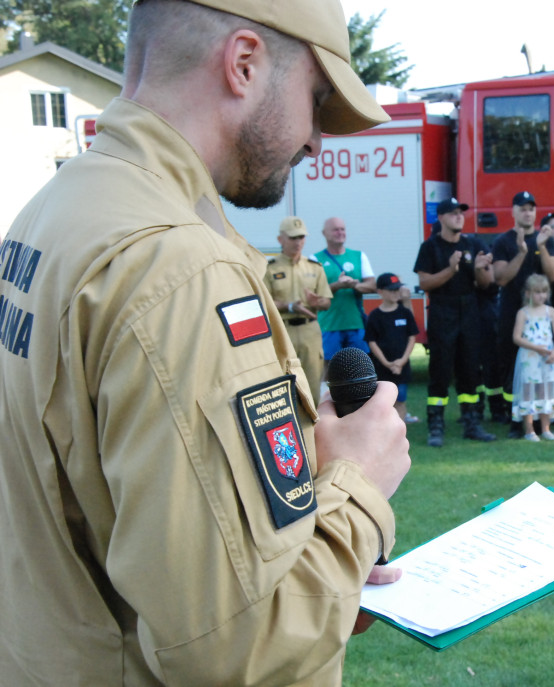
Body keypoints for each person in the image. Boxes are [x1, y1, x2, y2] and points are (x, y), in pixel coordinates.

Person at [0, 0, 411, 684]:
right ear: (243, 63)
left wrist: (325, 567)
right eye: (316, 98)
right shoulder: (181, 266)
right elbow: (233, 646)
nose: (317, 141)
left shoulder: (55, 210)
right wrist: (361, 487)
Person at [414, 197, 497, 446]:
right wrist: (451, 269)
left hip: (469, 311)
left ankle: (472, 422)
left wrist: (481, 269)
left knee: (470, 369)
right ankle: (436, 426)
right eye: (452, 213)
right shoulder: (430, 247)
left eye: (460, 212)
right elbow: (425, 283)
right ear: (440, 218)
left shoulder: (472, 243)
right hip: (443, 311)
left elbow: (486, 285)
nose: (458, 216)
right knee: (440, 370)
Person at [491, 190, 554, 432]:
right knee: (513, 366)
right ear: (513, 212)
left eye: (531, 208)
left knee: (541, 369)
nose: (528, 213)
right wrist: (521, 252)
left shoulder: (545, 239)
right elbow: (500, 278)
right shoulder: (503, 242)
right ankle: (516, 420)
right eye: (522, 208)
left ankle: (543, 419)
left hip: (540, 318)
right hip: (513, 311)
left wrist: (541, 246)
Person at [265, 216, 334, 406]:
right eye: (293, 237)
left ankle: (312, 433)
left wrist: (317, 301)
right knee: (280, 385)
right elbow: (263, 302)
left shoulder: (314, 267)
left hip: (309, 331)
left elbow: (327, 302)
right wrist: (288, 306)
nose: (298, 242)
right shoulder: (269, 268)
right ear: (281, 239)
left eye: (301, 237)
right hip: (282, 331)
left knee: (312, 386)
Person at [511, 274, 554, 441]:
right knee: (528, 391)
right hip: (530, 358)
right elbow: (517, 337)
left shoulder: (550, 312)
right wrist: (536, 348)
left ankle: (546, 428)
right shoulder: (523, 313)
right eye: (537, 292)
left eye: (544, 292)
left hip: (548, 359)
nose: (541, 296)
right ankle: (529, 430)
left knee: (546, 391)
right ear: (528, 293)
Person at [316, 216, 375, 359]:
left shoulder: (359, 256)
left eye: (342, 229)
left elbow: (373, 286)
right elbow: (315, 293)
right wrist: (338, 285)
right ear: (324, 233)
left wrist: (354, 284)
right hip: (328, 325)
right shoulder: (315, 259)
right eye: (335, 229)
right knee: (330, 368)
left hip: (356, 323)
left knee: (359, 365)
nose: (340, 232)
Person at [365, 273, 419, 423]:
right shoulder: (375, 315)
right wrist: (387, 363)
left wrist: (401, 361)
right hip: (383, 367)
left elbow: (412, 337)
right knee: (384, 400)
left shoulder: (405, 312)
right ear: (380, 292)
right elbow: (372, 341)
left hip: (401, 366)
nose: (396, 293)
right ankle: (385, 429)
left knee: (401, 398)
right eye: (391, 290)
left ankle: (400, 431)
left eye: (397, 289)